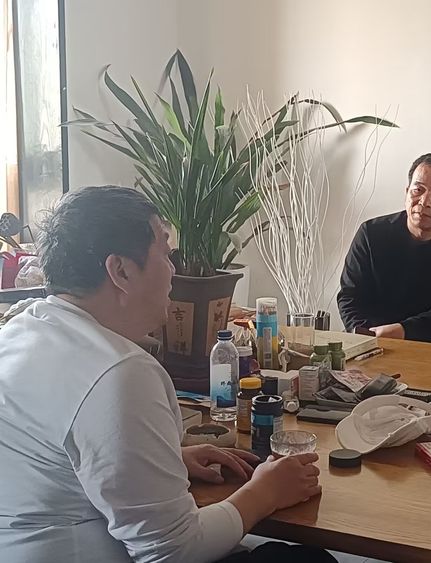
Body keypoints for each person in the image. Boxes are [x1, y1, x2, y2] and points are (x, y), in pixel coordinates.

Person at [0, 186, 323, 562]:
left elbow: (56, 460)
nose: (174, 270)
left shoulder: (20, 330)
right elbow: (173, 552)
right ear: (121, 270)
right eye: (166, 254)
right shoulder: (118, 372)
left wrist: (162, 459)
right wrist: (266, 492)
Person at [337, 153, 431, 346]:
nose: (424, 201)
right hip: (370, 343)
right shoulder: (371, 234)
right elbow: (350, 296)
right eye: (418, 190)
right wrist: (364, 336)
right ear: (406, 193)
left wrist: (400, 331)